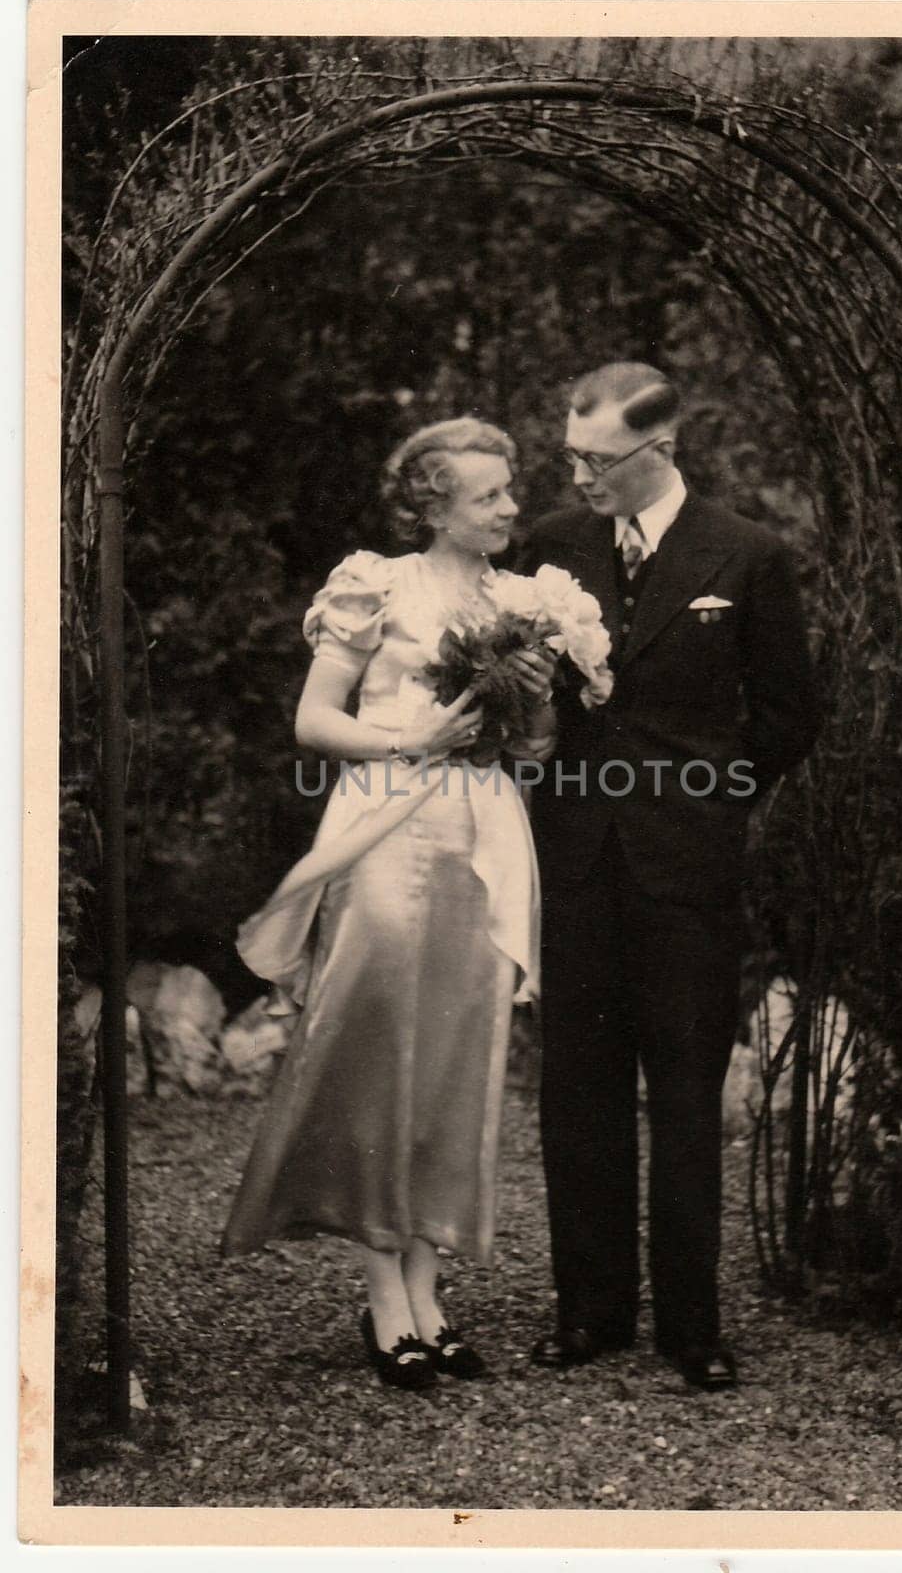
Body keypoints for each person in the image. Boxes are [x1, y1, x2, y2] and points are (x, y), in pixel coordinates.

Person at [221, 417, 555, 1392]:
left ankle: (429, 1288)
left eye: (508, 491)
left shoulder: (523, 600)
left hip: (481, 836)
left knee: (458, 1051)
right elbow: (315, 719)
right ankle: (383, 1296)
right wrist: (417, 739)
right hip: (387, 830)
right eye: (489, 494)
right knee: (375, 1046)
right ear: (435, 502)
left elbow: (534, 744)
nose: (508, 507)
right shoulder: (378, 581)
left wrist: (525, 719)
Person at [518, 362, 820, 1389]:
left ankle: (693, 1326)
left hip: (688, 868)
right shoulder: (551, 550)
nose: (581, 474)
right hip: (575, 861)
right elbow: (529, 693)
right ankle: (590, 1311)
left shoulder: (748, 553)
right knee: (578, 1093)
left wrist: (709, 795)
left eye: (600, 460)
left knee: (686, 1093)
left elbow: (791, 712)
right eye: (573, 455)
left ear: (663, 448)